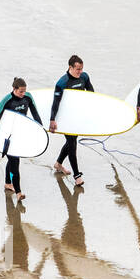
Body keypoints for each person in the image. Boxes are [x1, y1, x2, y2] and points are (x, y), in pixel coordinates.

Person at [0, 78, 44, 200]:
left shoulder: (28, 97)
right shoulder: (7, 101)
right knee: (15, 162)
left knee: (12, 160)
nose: (23, 94)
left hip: (19, 135)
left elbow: (35, 114)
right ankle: (18, 192)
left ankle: (8, 183)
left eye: (24, 91)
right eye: (21, 91)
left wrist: (41, 130)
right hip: (6, 136)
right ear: (14, 89)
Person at [49, 54, 93, 185]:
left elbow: (91, 92)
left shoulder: (84, 77)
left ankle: (58, 164)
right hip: (65, 118)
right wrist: (52, 120)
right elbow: (55, 103)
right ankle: (77, 176)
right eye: (78, 69)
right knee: (72, 144)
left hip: (77, 116)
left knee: (71, 142)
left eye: (81, 68)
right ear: (70, 67)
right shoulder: (62, 83)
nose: (80, 72)